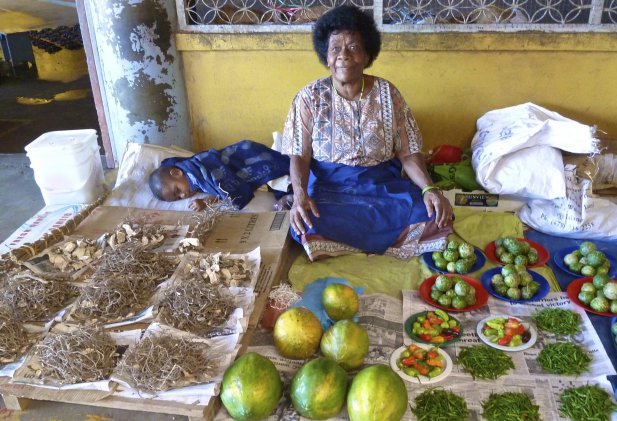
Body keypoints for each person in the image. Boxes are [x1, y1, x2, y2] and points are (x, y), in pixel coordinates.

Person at [281, 5, 453, 260]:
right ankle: (387, 245)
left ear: (366, 54)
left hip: (382, 184)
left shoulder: (388, 93)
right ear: (326, 57)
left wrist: (430, 190)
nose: (343, 56)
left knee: (433, 215)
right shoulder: (309, 97)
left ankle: (345, 248)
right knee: (306, 221)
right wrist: (300, 197)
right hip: (332, 187)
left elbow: (408, 153)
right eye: (335, 49)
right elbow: (299, 155)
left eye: (352, 47)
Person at [149, 140, 291, 210]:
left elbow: (223, 189)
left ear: (176, 172)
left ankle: (285, 193)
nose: (183, 196)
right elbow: (216, 189)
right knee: (276, 182)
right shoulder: (196, 183)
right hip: (242, 163)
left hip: (244, 155)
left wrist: (205, 202)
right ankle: (284, 196)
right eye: (177, 198)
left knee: (276, 171)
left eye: (177, 190)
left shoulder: (197, 167)